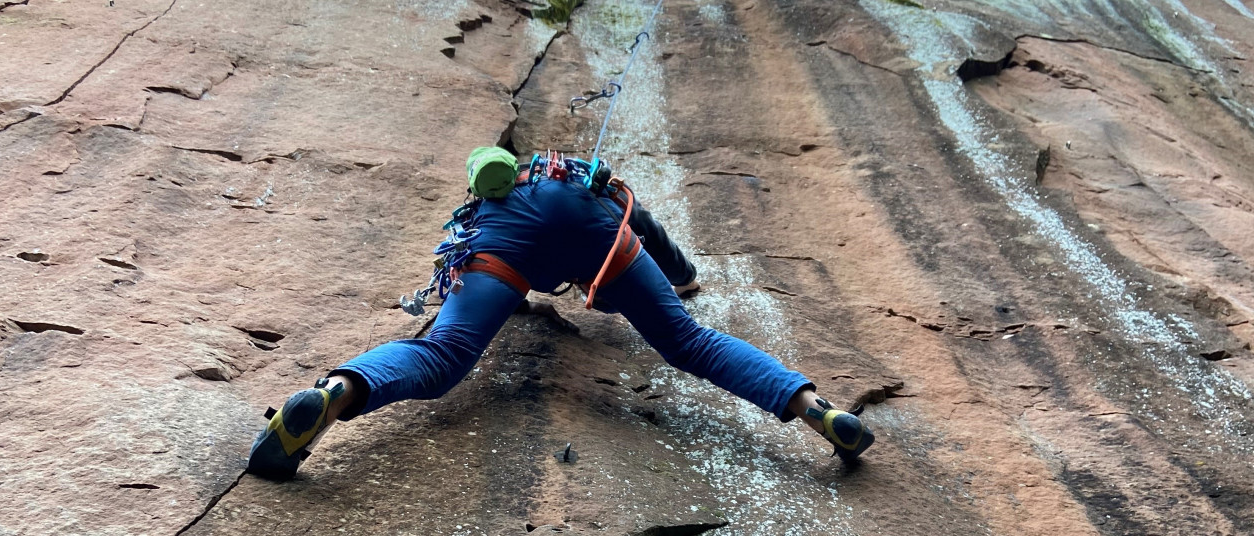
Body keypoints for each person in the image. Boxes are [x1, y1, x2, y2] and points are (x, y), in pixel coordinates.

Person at [246, 148, 874, 480]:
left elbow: (484, 251)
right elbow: (647, 229)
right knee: (690, 342)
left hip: (500, 244)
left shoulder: (494, 198)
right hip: (593, 229)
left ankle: (338, 391)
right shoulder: (587, 180)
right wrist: (681, 277)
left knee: (444, 353)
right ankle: (814, 409)